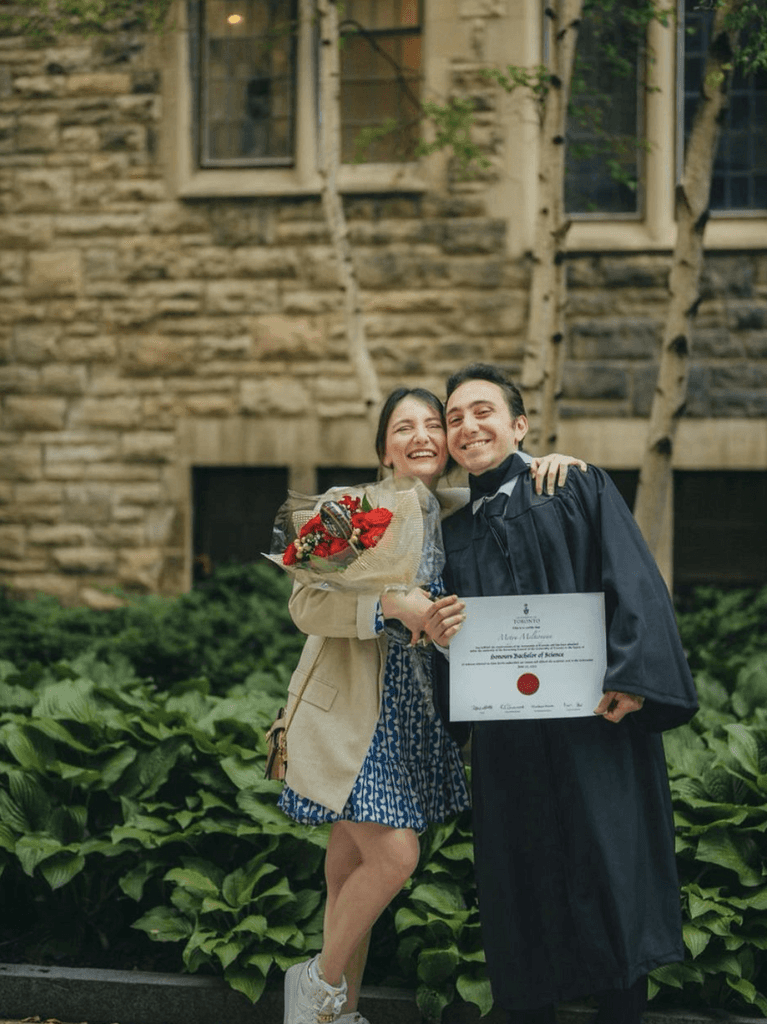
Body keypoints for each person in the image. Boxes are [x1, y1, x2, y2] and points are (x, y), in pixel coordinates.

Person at [277, 385, 584, 1024]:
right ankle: (316, 985)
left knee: (348, 872)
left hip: (415, 720)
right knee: (395, 856)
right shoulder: (356, 508)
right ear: (384, 447)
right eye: (402, 428)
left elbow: (506, 475)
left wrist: (549, 462)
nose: (420, 437)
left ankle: (340, 1015)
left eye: (430, 426)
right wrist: (389, 604)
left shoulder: (453, 512)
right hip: (351, 718)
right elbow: (305, 605)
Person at [424, 364, 699, 1024]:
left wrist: (633, 679)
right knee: (520, 894)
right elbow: (454, 648)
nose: (467, 426)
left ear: (519, 425)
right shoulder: (452, 533)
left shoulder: (573, 486)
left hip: (593, 729)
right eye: (454, 417)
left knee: (608, 880)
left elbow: (633, 579)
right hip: (510, 745)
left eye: (482, 411)